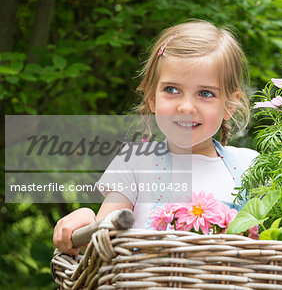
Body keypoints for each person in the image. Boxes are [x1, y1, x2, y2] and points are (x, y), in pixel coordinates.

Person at [53, 20, 259, 255]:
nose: (186, 106)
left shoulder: (250, 166)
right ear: (152, 97)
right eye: (172, 90)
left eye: (205, 93)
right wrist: (84, 220)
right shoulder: (137, 163)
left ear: (230, 105)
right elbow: (99, 248)